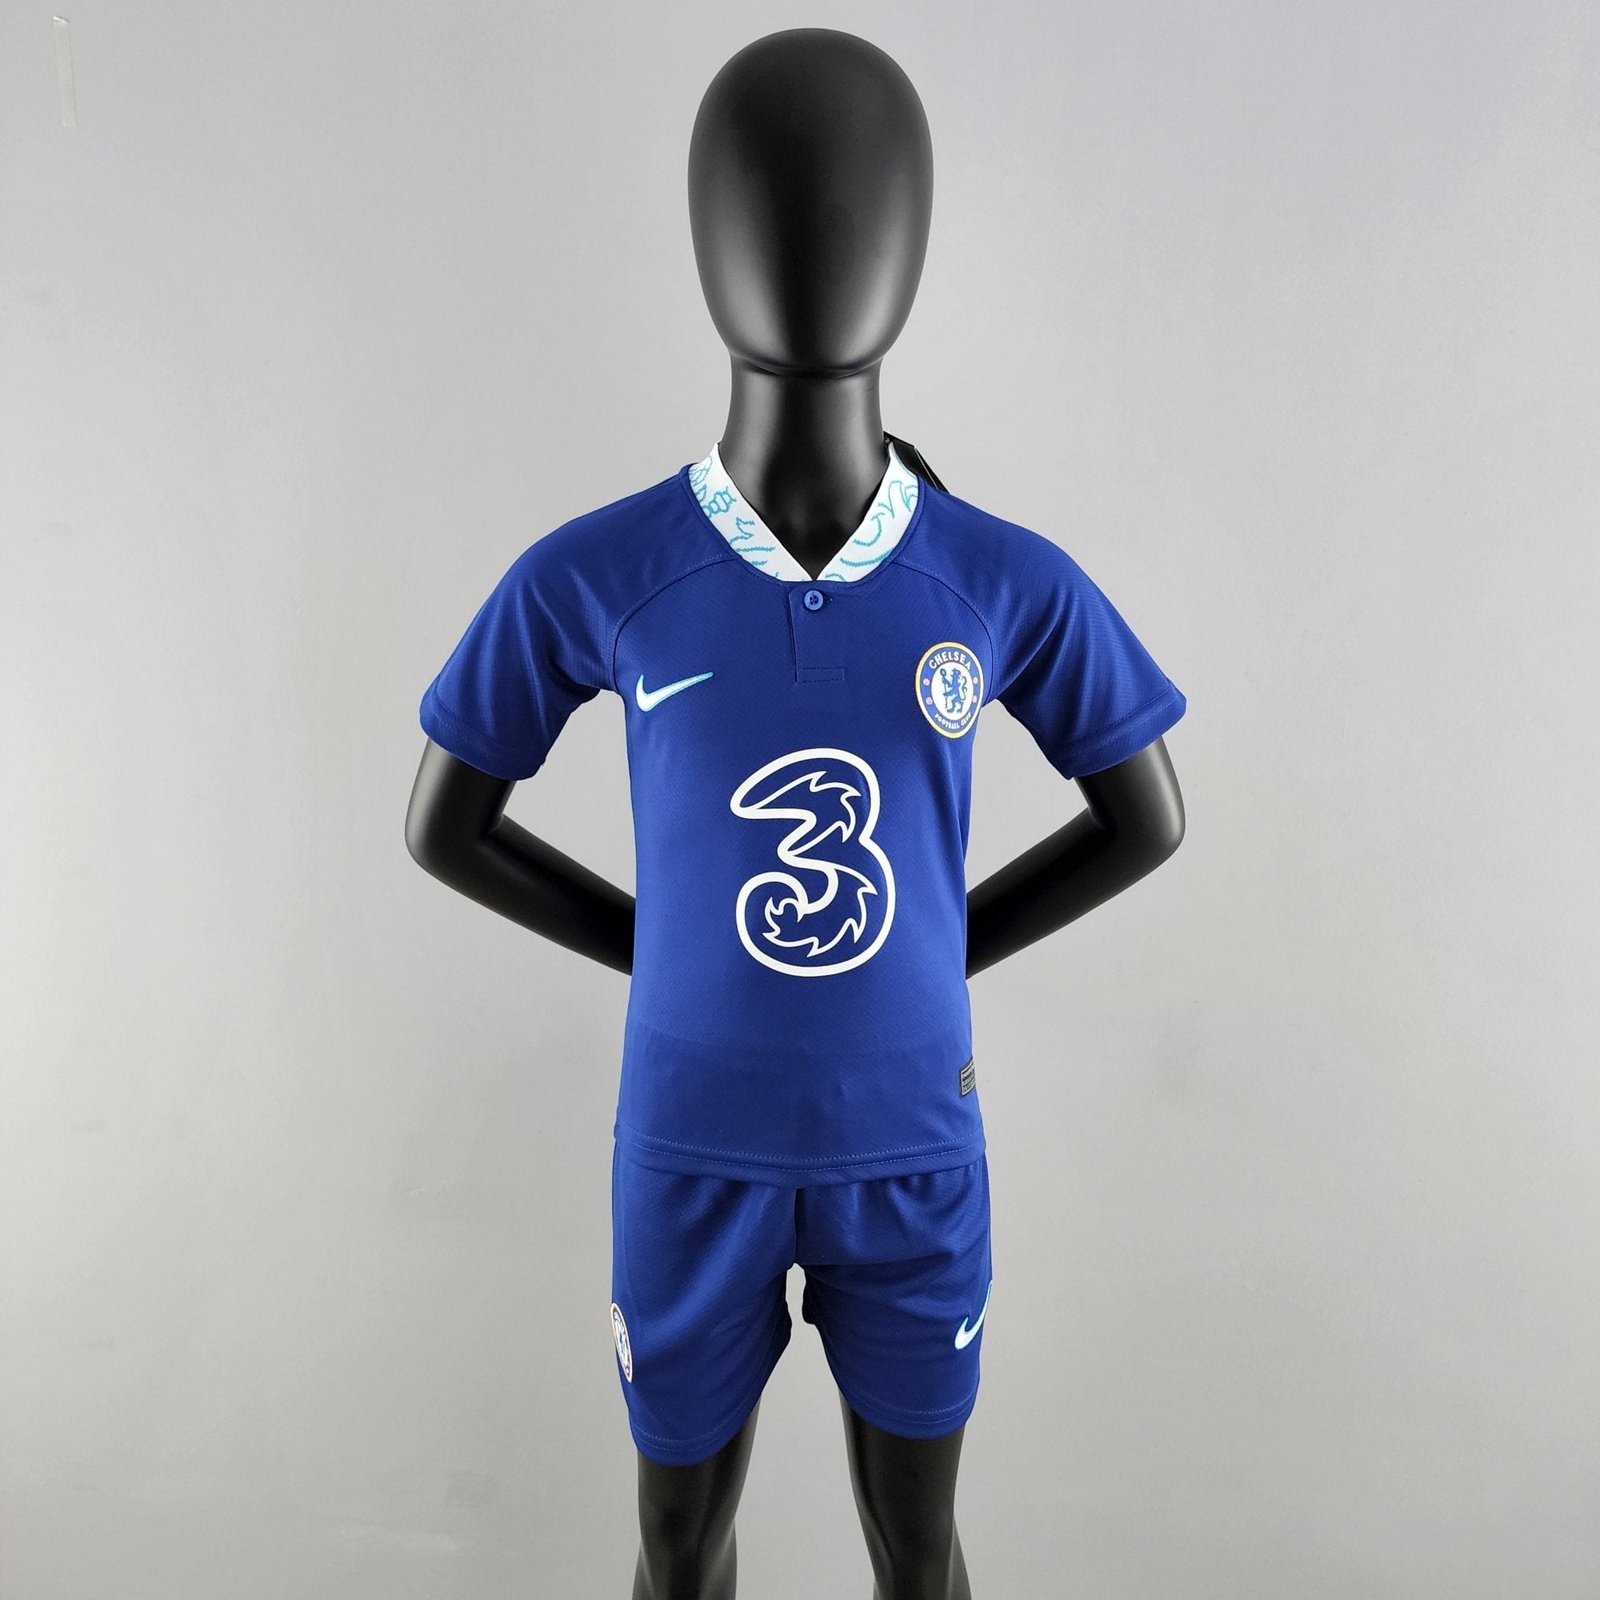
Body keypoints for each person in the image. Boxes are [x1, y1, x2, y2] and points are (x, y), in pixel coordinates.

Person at [406, 27, 1187, 1600]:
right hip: (691, 1148)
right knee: (677, 1546)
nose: (817, 246)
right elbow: (446, 824)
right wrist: (663, 950)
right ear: (710, 243)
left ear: (912, 242)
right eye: (769, 204)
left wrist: (941, 955)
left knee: (920, 1550)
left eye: (856, 201)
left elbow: (1146, 817)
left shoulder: (999, 578)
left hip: (913, 1144)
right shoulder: (602, 571)